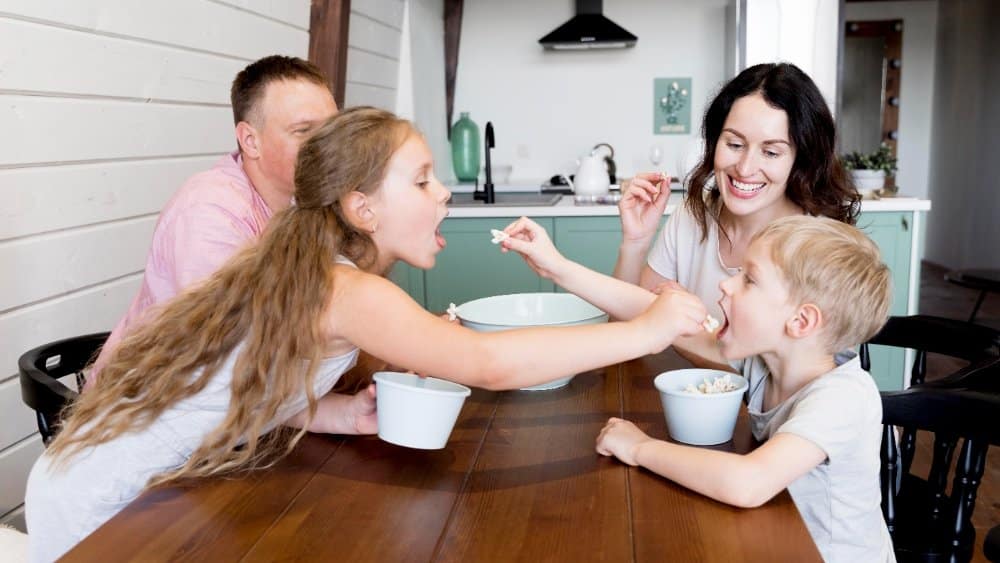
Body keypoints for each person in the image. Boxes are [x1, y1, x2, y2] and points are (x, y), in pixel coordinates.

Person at [25, 108, 710, 562]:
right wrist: (646, 331)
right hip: (106, 503)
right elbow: (487, 362)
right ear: (363, 208)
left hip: (128, 480)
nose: (442, 193)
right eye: (422, 180)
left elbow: (239, 379)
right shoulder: (344, 289)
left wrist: (327, 411)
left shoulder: (316, 272)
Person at [495, 213, 893, 561]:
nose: (727, 286)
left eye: (749, 280)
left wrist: (640, 448)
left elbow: (748, 483)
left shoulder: (843, 397)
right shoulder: (767, 360)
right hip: (777, 538)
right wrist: (558, 267)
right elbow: (652, 314)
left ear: (801, 322)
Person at [88, 55, 338, 381]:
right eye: (304, 131)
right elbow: (231, 359)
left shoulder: (303, 203)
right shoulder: (208, 213)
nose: (328, 147)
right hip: (145, 406)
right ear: (250, 141)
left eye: (332, 131)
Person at [613, 63, 860, 323]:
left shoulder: (818, 245)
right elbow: (626, 334)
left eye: (771, 152)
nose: (745, 168)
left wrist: (681, 322)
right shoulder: (691, 214)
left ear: (801, 159)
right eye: (734, 144)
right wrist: (635, 243)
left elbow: (779, 363)